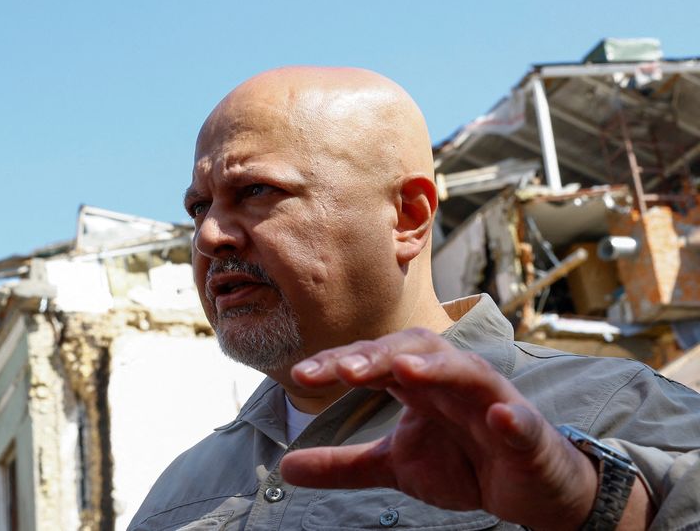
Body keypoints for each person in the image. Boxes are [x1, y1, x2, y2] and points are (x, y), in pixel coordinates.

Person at [129, 67, 700, 530]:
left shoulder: (615, 414)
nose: (209, 236)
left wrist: (597, 504)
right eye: (199, 207)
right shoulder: (179, 493)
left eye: (256, 191)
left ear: (407, 217)